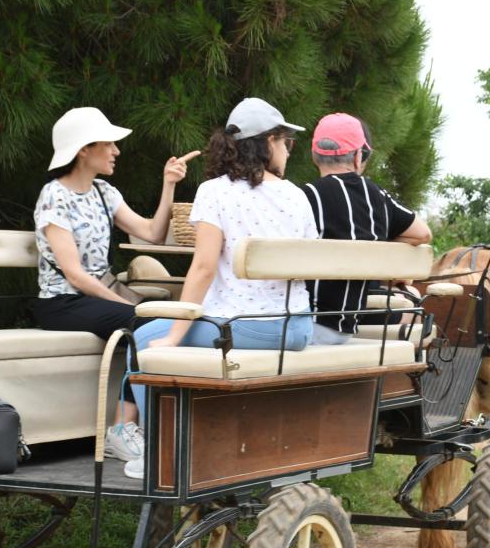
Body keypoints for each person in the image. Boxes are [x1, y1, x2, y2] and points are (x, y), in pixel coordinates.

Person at [127, 98, 318, 476]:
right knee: (163, 336)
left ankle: (158, 452)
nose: (288, 150)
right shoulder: (296, 195)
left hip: (249, 325)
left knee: (143, 339)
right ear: (267, 142)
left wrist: (174, 334)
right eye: (286, 142)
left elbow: (202, 268)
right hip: (297, 326)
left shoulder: (215, 192)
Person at [32, 106, 196, 469]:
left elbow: (152, 233)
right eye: (108, 143)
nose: (116, 151)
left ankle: (145, 424)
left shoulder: (104, 192)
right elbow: (74, 275)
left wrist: (169, 184)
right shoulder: (53, 196)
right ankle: (122, 428)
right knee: (143, 325)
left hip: (95, 299)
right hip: (62, 302)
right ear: (83, 150)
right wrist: (127, 307)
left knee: (157, 323)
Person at [302, 113, 432, 344]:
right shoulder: (377, 197)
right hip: (344, 327)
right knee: (410, 298)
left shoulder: (305, 195)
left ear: (314, 156)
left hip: (305, 324)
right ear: (358, 156)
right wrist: (379, 244)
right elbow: (423, 233)